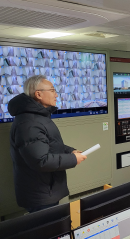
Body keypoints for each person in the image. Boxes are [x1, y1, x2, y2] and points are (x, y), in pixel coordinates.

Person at [9, 75, 87, 213]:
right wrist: (73, 160)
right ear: (38, 94)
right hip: (40, 194)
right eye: (52, 90)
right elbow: (41, 160)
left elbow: (51, 144)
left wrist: (70, 151)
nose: (56, 94)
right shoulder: (29, 123)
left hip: (45, 190)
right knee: (49, 231)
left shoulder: (37, 117)